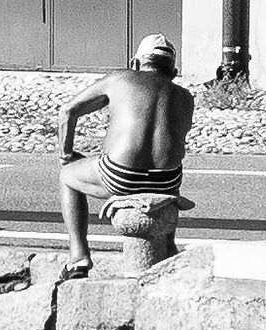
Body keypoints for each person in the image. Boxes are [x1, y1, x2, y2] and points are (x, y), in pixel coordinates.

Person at [57, 33, 194, 279]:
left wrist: (66, 154)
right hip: (167, 183)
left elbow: (69, 111)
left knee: (67, 176)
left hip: (121, 177)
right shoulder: (185, 96)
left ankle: (78, 256)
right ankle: (169, 247)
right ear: (173, 72)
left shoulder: (121, 79)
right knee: (172, 166)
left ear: (135, 63)